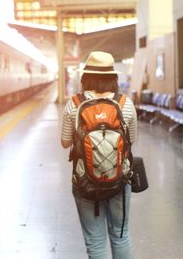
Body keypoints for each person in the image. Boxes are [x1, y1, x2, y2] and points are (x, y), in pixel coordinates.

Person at [60, 51, 138, 259]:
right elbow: (132, 139)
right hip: (120, 180)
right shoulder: (125, 104)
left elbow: (65, 142)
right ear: (113, 77)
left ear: (86, 77)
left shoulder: (74, 104)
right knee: (120, 236)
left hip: (85, 181)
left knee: (95, 241)